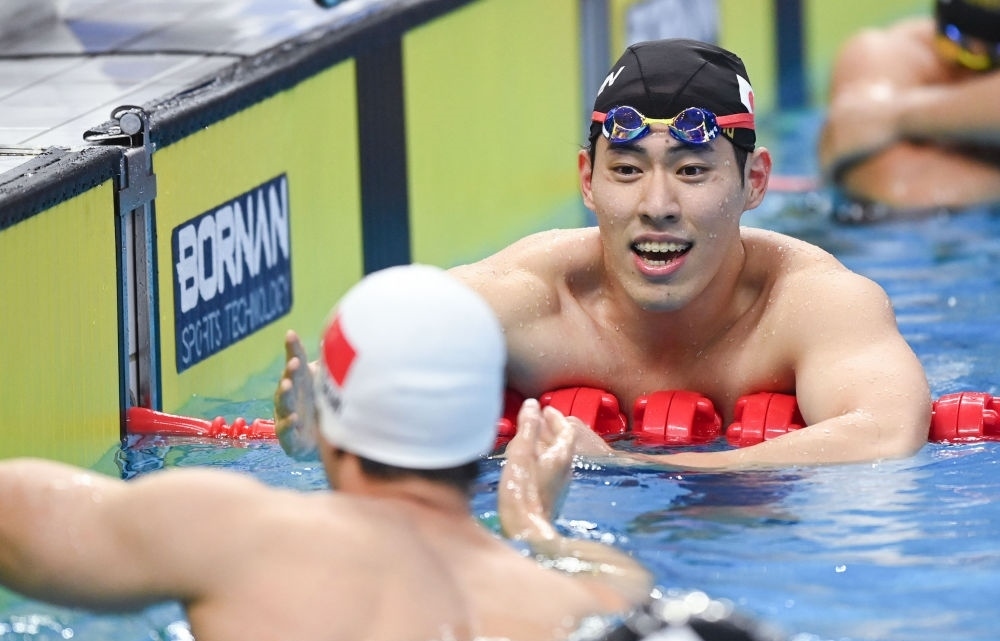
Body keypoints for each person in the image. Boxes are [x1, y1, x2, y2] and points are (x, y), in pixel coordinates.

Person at [276, 38, 931, 471]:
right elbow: (366, 351)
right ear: (587, 180)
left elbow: (885, 433)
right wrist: (327, 436)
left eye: (692, 170)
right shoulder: (526, 301)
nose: (657, 204)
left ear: (754, 181)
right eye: (626, 170)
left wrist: (633, 467)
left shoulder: (810, 302)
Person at [0, 265, 654, 641]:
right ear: (489, 423)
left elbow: (15, 516)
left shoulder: (230, 531)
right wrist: (537, 529)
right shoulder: (586, 600)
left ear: (332, 414)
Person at [819, 0, 1000, 222]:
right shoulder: (887, 53)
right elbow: (897, 185)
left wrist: (894, 117)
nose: (971, 69)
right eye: (956, 44)